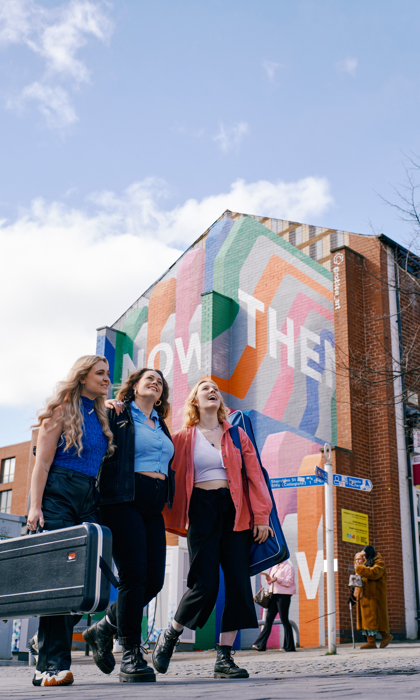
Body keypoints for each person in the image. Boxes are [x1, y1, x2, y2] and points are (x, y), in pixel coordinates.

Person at [152, 377, 273, 680]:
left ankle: (224, 657)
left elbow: (256, 477)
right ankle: (171, 635)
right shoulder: (181, 438)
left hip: (235, 511)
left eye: (216, 389)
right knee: (204, 583)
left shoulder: (237, 435)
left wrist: (262, 516)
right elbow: (161, 467)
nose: (212, 391)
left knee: (237, 582)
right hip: (201, 511)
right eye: (205, 388)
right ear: (195, 400)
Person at [83, 368, 175, 683]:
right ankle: (131, 654)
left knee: (154, 582)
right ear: (133, 387)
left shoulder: (161, 424)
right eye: (148, 378)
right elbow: (90, 434)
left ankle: (104, 628)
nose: (155, 382)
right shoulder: (119, 414)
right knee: (134, 577)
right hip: (122, 500)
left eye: (160, 381)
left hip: (153, 506)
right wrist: (104, 405)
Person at [27, 355, 114, 687]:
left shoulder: (101, 414)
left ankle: (45, 642)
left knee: (88, 580)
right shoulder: (61, 411)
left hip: (88, 498)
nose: (107, 378)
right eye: (100, 373)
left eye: (108, 373)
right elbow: (42, 464)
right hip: (58, 493)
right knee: (60, 582)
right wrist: (36, 507)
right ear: (82, 377)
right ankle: (50, 666)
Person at [251, 559, 296, 652]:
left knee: (284, 620)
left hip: (283, 596)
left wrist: (278, 579)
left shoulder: (289, 567)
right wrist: (268, 579)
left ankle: (289, 646)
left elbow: (289, 582)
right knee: (268, 620)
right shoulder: (274, 567)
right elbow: (270, 582)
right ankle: (260, 645)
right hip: (273, 595)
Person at [355, 545, 392, 649]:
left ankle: (386, 636)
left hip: (375, 596)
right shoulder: (367, 564)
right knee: (368, 619)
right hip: (366, 596)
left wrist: (360, 569)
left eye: (363, 555)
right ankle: (371, 641)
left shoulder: (379, 563)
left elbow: (374, 573)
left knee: (375, 618)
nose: (363, 558)